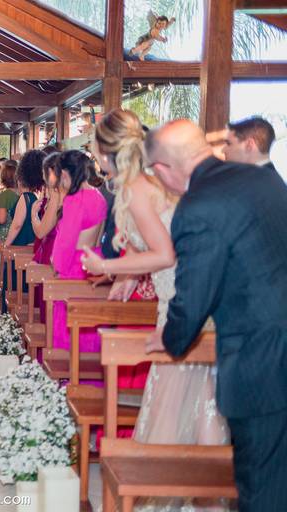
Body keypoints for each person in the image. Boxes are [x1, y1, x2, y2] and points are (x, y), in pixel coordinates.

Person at [82, 111, 230, 512]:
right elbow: (155, 243)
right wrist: (126, 276)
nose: (96, 160)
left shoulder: (135, 189)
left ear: (109, 154)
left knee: (175, 400)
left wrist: (106, 265)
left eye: (96, 152)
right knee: (201, 400)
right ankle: (210, 500)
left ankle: (176, 494)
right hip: (192, 298)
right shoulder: (148, 182)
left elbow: (164, 254)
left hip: (180, 301)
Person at [144, 119, 287, 512]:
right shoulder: (263, 179)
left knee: (261, 487)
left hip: (262, 361)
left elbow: (194, 294)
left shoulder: (199, 205)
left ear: (163, 169)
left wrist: (171, 337)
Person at [49, 151, 107, 354]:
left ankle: (69, 372)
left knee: (69, 340)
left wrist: (55, 266)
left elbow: (65, 244)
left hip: (73, 269)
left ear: (65, 174)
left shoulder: (76, 200)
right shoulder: (98, 196)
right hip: (94, 264)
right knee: (90, 330)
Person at [0, 150, 45, 312]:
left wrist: (6, 245)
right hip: (29, 243)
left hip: (19, 244)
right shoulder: (34, 197)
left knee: (12, 285)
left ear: (20, 179)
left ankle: (9, 316)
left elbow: (17, 225)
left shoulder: (24, 198)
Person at [0, 161, 19, 287]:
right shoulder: (20, 194)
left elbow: (1, 219)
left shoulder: (4, 195)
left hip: (3, 236)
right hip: (17, 236)